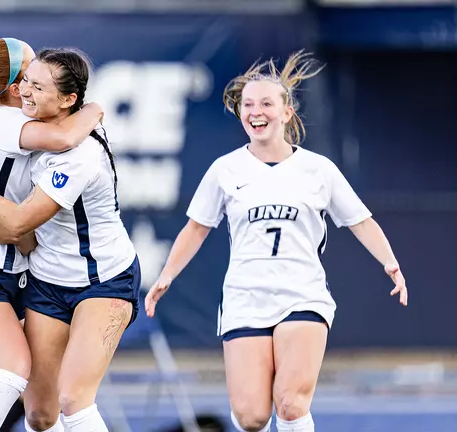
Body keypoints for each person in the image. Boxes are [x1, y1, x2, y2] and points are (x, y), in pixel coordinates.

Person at [144, 51, 408, 432]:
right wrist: (166, 277)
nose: (256, 111)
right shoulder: (226, 169)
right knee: (251, 416)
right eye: (248, 104)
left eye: (266, 103)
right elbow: (196, 228)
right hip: (245, 298)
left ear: (286, 113)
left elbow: (360, 221)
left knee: (290, 402)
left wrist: (391, 264)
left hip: (302, 295)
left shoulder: (318, 169)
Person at [0, 47, 140, 432]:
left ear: (69, 99)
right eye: (25, 79)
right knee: (40, 415)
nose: (24, 90)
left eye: (37, 86)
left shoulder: (79, 152)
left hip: (102, 279)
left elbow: (20, 222)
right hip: (47, 279)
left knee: (73, 400)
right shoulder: (34, 123)